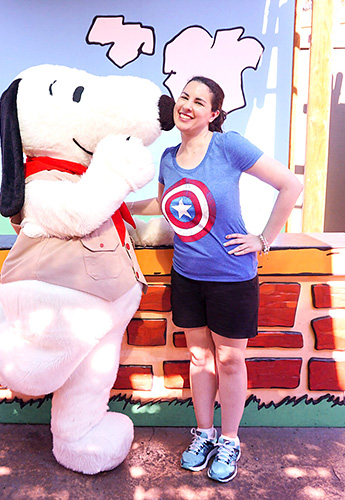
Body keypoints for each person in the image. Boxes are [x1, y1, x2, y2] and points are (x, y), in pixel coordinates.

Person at [129, 76, 303, 483]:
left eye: (198, 101)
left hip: (232, 277)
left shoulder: (228, 146)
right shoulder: (168, 157)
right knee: (199, 358)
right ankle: (203, 434)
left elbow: (290, 184)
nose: (187, 105)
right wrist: (119, 208)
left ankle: (229, 439)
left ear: (214, 113)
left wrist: (263, 239)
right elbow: (163, 200)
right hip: (187, 275)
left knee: (229, 359)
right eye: (183, 97)